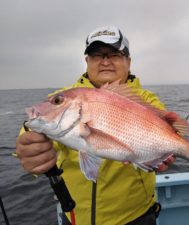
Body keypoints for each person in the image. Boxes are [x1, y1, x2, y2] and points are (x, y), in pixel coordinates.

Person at [16, 26, 175, 225]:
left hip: (136, 216)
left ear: (129, 61)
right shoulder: (65, 96)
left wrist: (167, 152)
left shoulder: (146, 101)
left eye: (114, 54)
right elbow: (39, 124)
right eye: (96, 55)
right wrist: (28, 145)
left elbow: (166, 130)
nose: (105, 61)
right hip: (75, 215)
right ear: (87, 62)